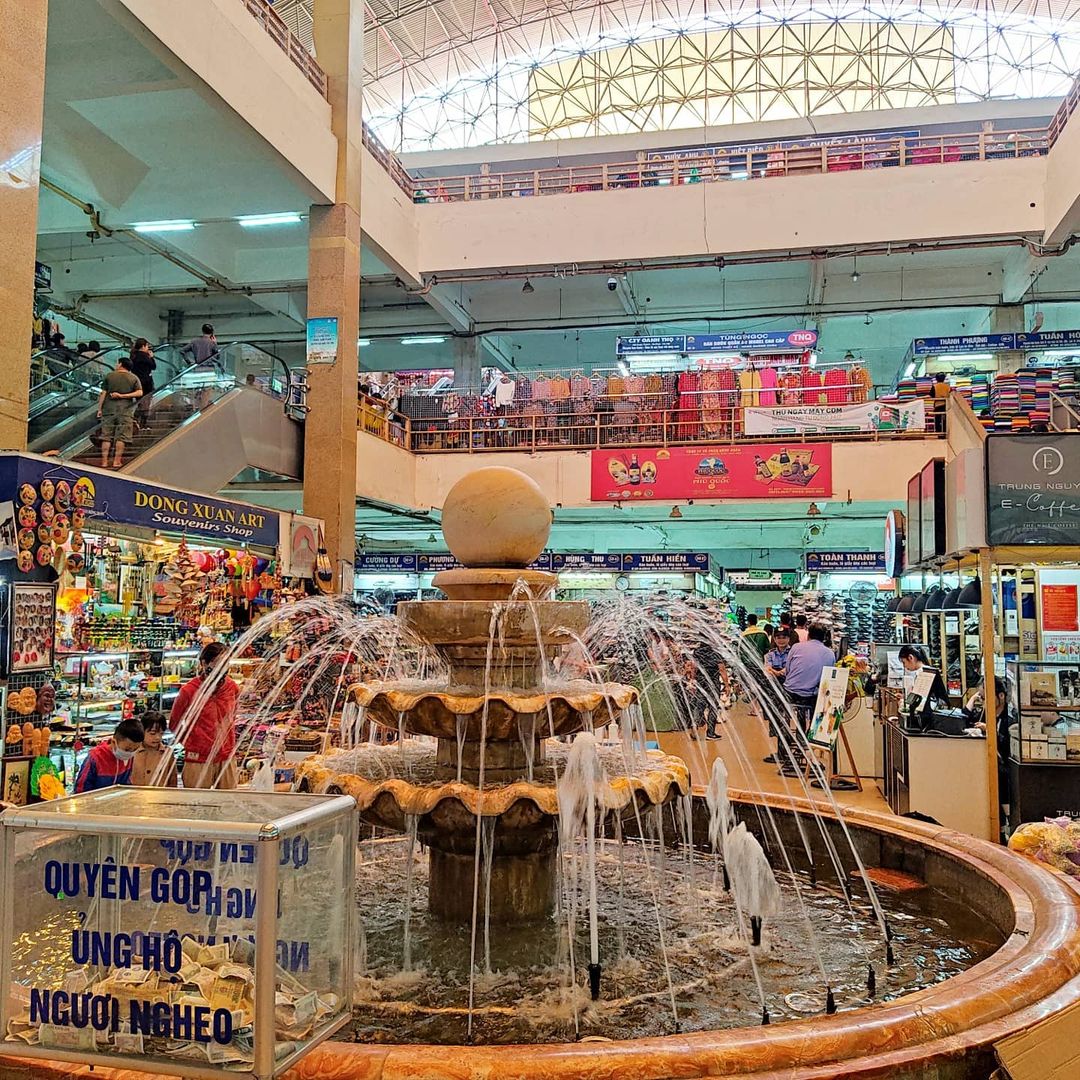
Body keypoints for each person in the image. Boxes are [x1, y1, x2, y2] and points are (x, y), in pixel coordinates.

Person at [170, 642, 239, 789]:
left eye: (226, 662)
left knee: (229, 801)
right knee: (197, 801)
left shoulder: (232, 688)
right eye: (217, 662)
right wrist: (191, 743)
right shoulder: (189, 691)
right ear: (204, 663)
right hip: (197, 759)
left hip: (226, 757)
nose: (222, 667)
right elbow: (174, 724)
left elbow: (233, 716)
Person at [783, 624, 836, 731]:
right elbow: (827, 679)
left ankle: (785, 734)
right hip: (810, 697)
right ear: (824, 637)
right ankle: (811, 732)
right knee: (819, 701)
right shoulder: (830, 654)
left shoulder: (796, 647)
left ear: (808, 635)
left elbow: (787, 670)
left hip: (790, 692)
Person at [96, 355, 143, 469]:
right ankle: (117, 461)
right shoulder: (133, 377)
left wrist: (100, 409)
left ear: (121, 364)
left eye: (117, 363)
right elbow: (139, 393)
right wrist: (123, 396)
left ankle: (104, 462)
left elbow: (103, 393)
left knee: (106, 436)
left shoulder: (109, 376)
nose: (116, 365)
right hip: (125, 410)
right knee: (122, 436)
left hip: (108, 409)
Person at [75, 718, 144, 792]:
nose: (130, 753)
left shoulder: (129, 757)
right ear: (114, 742)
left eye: (135, 749)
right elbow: (81, 789)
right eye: (127, 749)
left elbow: (126, 783)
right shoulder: (95, 758)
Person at [897, 644, 948, 721]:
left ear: (910, 658)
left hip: (931, 718)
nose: (904, 666)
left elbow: (923, 701)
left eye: (904, 662)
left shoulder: (926, 673)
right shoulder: (924, 672)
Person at [129, 711, 177, 787]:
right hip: (134, 793)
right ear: (142, 731)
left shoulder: (167, 753)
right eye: (152, 733)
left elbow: (173, 782)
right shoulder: (132, 752)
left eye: (161, 733)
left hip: (160, 793)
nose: (157, 737)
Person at [129, 338, 156, 421]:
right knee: (145, 404)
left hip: (137, 382)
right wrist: (151, 357)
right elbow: (153, 366)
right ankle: (140, 421)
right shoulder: (144, 356)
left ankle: (136, 420)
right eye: (147, 346)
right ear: (143, 346)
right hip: (146, 383)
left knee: (140, 402)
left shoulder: (133, 356)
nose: (148, 348)